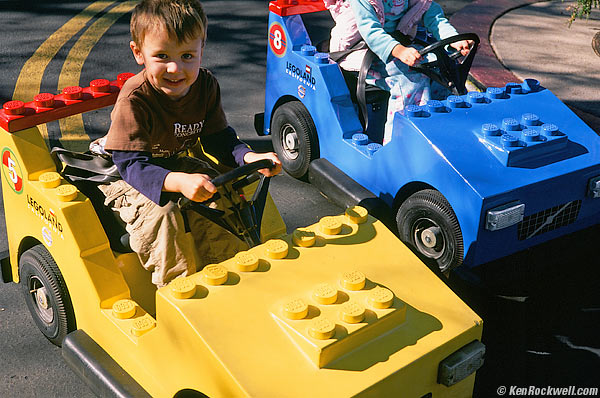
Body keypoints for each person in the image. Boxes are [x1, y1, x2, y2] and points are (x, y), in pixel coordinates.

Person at [98, 0, 282, 287]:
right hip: (127, 172)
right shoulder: (134, 99)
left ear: (201, 50)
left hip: (174, 159)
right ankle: (178, 291)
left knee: (221, 193)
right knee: (163, 215)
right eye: (161, 56)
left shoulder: (205, 86)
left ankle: (230, 273)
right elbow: (130, 166)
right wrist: (177, 181)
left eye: (186, 55)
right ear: (138, 53)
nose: (175, 68)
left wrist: (247, 157)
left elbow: (219, 137)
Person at [325, 0, 472, 144]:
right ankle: (401, 141)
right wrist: (398, 50)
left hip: (398, 47)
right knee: (410, 77)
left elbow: (434, 17)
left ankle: (445, 125)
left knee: (442, 66)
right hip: (356, 52)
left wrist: (453, 39)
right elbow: (370, 31)